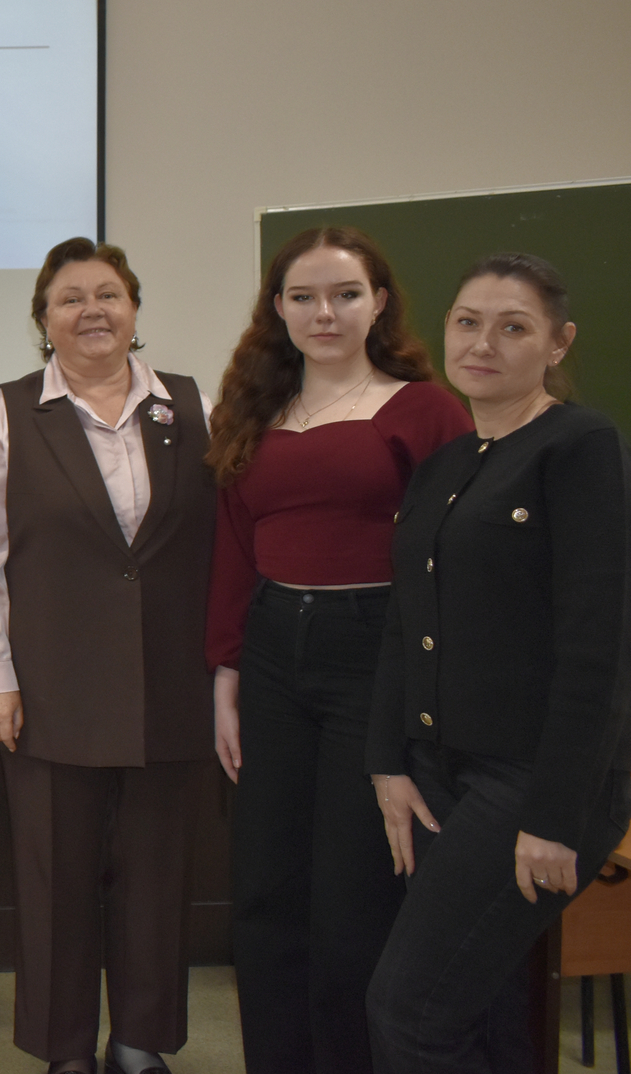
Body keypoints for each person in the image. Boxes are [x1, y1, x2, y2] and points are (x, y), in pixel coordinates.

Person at [205, 227, 471, 1074]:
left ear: (379, 303)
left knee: (354, 893)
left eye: (346, 294)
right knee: (266, 889)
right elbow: (235, 547)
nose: (325, 313)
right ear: (277, 309)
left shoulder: (426, 409)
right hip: (272, 651)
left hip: (376, 652)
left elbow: (454, 558)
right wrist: (226, 671)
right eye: (304, 296)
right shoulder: (251, 410)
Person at [0, 237, 218, 1074]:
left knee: (156, 878)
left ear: (134, 309)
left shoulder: (192, 405)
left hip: (170, 685)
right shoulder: (8, 412)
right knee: (56, 883)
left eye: (108, 294)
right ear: (44, 319)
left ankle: (139, 1042)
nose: (91, 311)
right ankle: (64, 1049)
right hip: (51, 688)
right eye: (70, 298)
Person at [366, 253, 631, 1071]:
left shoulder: (580, 446)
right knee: (482, 1011)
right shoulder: (446, 464)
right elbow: (404, 623)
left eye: (513, 327)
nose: (483, 343)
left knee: (410, 1011)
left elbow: (598, 651)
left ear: (558, 343)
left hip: (530, 782)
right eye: (467, 322)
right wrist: (388, 763)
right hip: (438, 772)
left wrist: (553, 818)